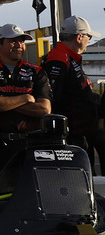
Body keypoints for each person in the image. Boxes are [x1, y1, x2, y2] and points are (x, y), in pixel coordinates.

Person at [0, 24, 51, 188]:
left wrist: (2, 101)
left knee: (29, 193)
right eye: (13, 41)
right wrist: (25, 98)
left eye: (22, 41)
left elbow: (44, 109)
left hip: (29, 144)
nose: (19, 45)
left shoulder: (37, 71)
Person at [41, 16, 100, 149]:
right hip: (71, 138)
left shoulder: (69, 58)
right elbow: (53, 98)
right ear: (79, 37)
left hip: (80, 134)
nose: (89, 41)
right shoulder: (59, 59)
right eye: (89, 36)